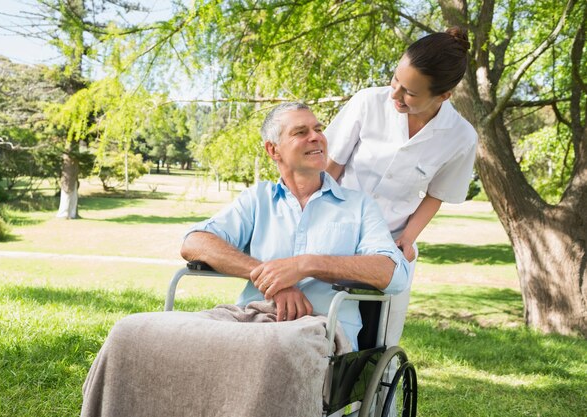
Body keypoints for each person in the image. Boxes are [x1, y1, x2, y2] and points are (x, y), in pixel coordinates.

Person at [80, 103, 409, 417]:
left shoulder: (358, 205)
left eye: (318, 129)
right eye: (301, 132)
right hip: (249, 319)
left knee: (274, 353)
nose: (317, 137)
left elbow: (388, 271)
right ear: (273, 150)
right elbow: (195, 242)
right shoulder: (257, 199)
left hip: (319, 326)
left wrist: (305, 264)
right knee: (130, 332)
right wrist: (269, 278)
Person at [324, 27, 478, 349]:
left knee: (378, 342)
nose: (394, 94)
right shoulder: (367, 103)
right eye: (395, 79)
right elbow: (331, 166)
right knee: (327, 331)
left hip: (389, 244)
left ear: (443, 95)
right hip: (334, 231)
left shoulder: (461, 137)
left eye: (409, 92)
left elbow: (438, 193)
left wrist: (407, 239)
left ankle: (376, 399)